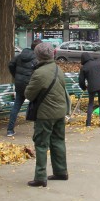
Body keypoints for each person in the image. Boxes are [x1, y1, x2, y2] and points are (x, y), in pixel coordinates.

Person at [25, 42, 71, 187]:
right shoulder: (58, 69)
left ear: (37, 56)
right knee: (58, 141)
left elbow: (29, 94)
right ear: (52, 54)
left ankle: (40, 176)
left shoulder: (39, 73)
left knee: (41, 144)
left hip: (45, 114)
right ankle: (61, 171)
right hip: (60, 111)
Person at [6, 39, 41, 137]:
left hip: (19, 85)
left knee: (16, 107)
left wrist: (15, 76)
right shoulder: (36, 59)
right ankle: (37, 130)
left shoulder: (20, 56)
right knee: (36, 107)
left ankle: (10, 130)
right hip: (30, 86)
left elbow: (10, 64)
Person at [79, 52, 100, 127]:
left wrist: (84, 87)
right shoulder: (97, 63)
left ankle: (88, 122)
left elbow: (81, 81)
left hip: (91, 87)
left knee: (91, 103)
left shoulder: (84, 67)